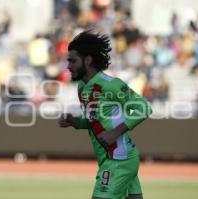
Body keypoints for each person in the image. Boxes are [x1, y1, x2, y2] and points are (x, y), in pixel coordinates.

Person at [59, 30, 152, 199]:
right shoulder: (82, 87)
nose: (68, 66)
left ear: (87, 60)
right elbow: (94, 120)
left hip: (118, 160)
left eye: (73, 60)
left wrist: (115, 133)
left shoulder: (112, 85)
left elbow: (144, 107)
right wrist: (75, 122)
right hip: (112, 159)